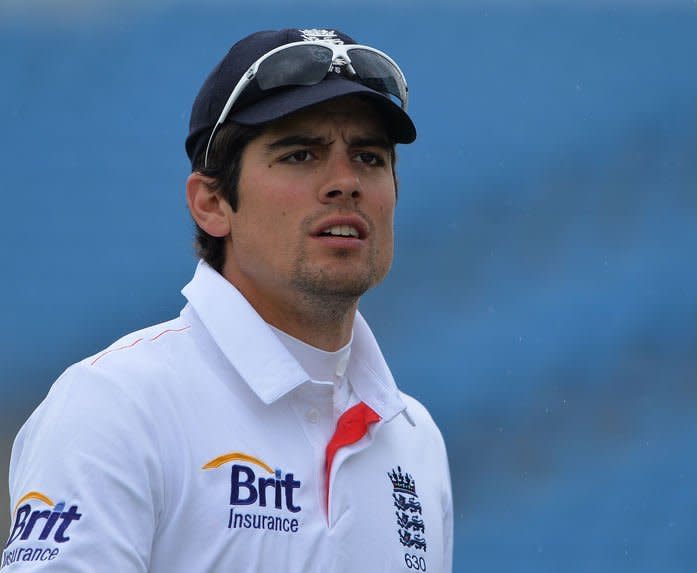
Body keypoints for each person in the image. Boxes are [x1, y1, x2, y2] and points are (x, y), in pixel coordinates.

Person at [2, 28, 453, 572]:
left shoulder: (416, 440)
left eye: (369, 157)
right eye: (301, 154)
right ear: (212, 203)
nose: (345, 182)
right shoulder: (115, 407)